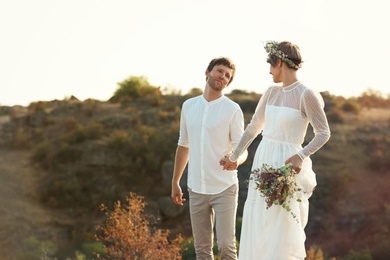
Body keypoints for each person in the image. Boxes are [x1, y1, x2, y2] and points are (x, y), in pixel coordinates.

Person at [220, 41, 331, 260]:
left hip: (286, 166)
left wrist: (301, 155)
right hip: (263, 159)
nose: (269, 71)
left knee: (282, 221)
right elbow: (253, 127)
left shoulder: (306, 95)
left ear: (279, 62)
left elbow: (323, 133)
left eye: (271, 65)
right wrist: (233, 156)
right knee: (260, 218)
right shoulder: (270, 92)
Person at [171, 57, 248, 260]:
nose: (222, 76)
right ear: (208, 72)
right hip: (196, 188)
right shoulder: (188, 106)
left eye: (227, 75)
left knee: (226, 247)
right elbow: (183, 145)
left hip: (224, 188)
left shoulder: (232, 110)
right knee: (202, 250)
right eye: (219, 71)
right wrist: (175, 182)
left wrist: (235, 160)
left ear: (228, 82)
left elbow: (243, 149)